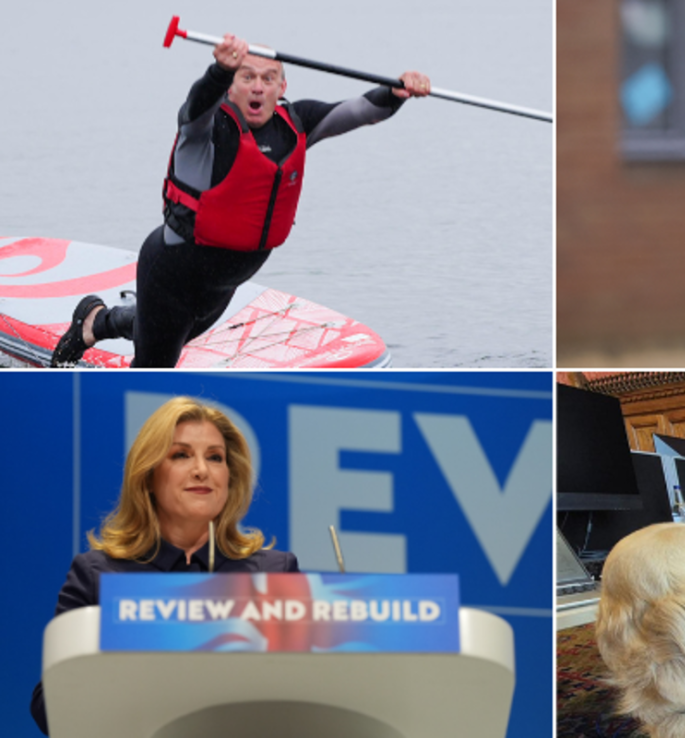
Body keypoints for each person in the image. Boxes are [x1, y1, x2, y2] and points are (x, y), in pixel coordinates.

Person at [50, 34, 431, 368]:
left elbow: (361, 110)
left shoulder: (297, 123)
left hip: (223, 284)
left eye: (268, 79)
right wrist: (217, 70)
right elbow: (194, 108)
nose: (258, 87)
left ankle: (94, 321)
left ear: (283, 86)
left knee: (163, 332)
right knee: (154, 369)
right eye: (246, 76)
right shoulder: (208, 130)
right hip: (171, 272)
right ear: (230, 88)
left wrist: (394, 93)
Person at [29, 397, 299, 736]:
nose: (202, 469)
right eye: (181, 455)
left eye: (215, 457)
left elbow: (303, 691)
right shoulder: (98, 575)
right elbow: (50, 704)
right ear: (149, 474)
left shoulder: (274, 573)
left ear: (230, 476)